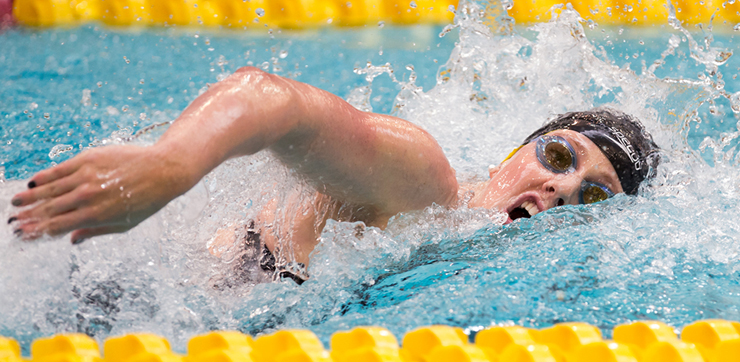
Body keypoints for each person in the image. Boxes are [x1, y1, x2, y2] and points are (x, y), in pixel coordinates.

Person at [7, 67, 659, 282]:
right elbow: (272, 99)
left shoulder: (473, 259)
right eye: (558, 156)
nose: (560, 189)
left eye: (592, 196)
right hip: (94, 272)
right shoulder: (421, 183)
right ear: (509, 156)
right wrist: (172, 164)